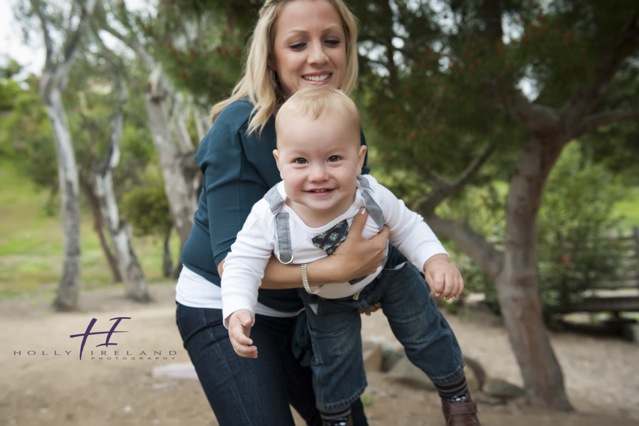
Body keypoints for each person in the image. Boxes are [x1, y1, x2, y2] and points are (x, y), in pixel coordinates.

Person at [176, 1, 387, 425]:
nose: (318, 56)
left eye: (332, 40)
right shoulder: (240, 127)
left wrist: (366, 279)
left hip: (303, 311)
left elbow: (355, 222)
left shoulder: (343, 126)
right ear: (271, 54)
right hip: (225, 305)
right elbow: (232, 263)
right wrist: (334, 269)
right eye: (297, 44)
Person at [222, 86, 481, 426]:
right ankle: (338, 418)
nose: (318, 174)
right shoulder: (270, 213)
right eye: (300, 160)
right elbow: (242, 262)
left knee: (424, 331)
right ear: (279, 162)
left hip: (388, 274)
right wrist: (238, 308)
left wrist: (436, 260)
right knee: (334, 360)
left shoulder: (370, 194)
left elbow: (408, 225)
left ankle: (456, 392)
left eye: (334, 158)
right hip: (327, 295)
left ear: (358, 159)